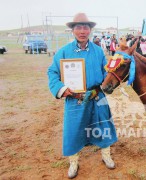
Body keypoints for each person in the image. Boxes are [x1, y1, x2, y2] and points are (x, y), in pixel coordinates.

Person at [47, 13, 118, 179]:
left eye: (86, 27)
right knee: (74, 130)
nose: (82, 31)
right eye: (78, 27)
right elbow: (52, 72)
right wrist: (61, 88)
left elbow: (104, 72)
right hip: (75, 99)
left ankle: (106, 155)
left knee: (103, 126)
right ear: (72, 30)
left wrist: (112, 73)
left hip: (97, 97)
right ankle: (73, 161)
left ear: (90, 30)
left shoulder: (98, 51)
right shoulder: (64, 52)